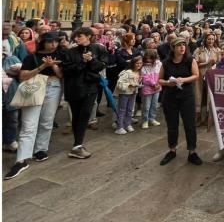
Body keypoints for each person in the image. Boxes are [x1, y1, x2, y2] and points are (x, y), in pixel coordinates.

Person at [4, 33, 63, 179]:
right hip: (34, 88)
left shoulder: (61, 55)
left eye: (56, 41)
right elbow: (23, 76)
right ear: (42, 42)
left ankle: (40, 149)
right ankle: (21, 159)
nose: (53, 44)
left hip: (53, 86)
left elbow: (61, 75)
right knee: (29, 124)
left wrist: (53, 65)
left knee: (47, 121)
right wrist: (43, 66)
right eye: (50, 41)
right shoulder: (31, 57)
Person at [61, 27, 108, 159]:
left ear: (88, 36)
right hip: (74, 87)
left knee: (86, 113)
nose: (76, 39)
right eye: (75, 37)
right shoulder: (70, 52)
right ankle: (77, 145)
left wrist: (91, 60)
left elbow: (101, 66)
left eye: (79, 36)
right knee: (76, 116)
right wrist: (82, 61)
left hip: (90, 87)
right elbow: (67, 69)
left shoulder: (99, 49)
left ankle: (77, 144)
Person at [157, 38, 202, 166]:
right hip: (170, 96)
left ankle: (192, 152)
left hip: (186, 96)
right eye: (178, 46)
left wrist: (183, 79)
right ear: (173, 48)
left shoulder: (189, 60)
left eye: (183, 45)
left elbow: (196, 75)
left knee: (189, 125)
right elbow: (159, 80)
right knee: (172, 125)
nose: (182, 47)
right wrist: (167, 83)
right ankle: (172, 150)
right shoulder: (166, 62)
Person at [193, 33, 220, 127]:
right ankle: (198, 117)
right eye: (209, 39)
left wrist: (214, 64)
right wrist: (207, 62)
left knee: (209, 95)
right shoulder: (199, 50)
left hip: (211, 76)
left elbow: (219, 64)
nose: (211, 41)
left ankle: (208, 118)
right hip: (200, 75)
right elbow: (195, 64)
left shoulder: (217, 51)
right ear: (205, 39)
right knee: (199, 95)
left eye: (213, 39)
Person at [114, 56, 143, 135]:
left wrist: (139, 82)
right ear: (133, 63)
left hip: (133, 93)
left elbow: (137, 83)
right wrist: (129, 85)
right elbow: (119, 83)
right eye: (137, 63)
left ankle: (128, 124)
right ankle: (120, 126)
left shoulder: (138, 72)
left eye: (140, 63)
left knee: (130, 109)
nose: (139, 65)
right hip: (125, 93)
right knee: (122, 109)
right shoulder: (127, 72)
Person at [140, 49, 162, 129]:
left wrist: (159, 83)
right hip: (147, 89)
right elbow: (145, 78)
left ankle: (152, 119)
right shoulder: (143, 66)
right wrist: (154, 84)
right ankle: (145, 120)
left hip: (157, 88)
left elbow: (161, 74)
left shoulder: (159, 64)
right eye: (147, 58)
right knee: (146, 106)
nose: (148, 60)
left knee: (154, 105)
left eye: (150, 58)